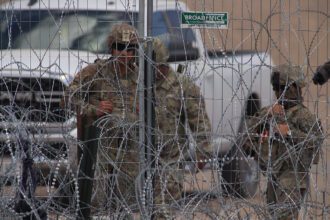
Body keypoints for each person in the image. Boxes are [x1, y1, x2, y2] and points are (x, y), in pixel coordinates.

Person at [62, 23, 140, 218]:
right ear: (111, 48)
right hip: (99, 146)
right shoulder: (96, 72)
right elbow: (68, 97)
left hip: (128, 147)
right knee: (95, 199)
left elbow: (160, 106)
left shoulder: (141, 76)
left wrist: (145, 110)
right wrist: (92, 109)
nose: (125, 54)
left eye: (130, 49)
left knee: (127, 203)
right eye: (119, 48)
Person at [243, 64, 324, 219]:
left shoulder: (303, 116)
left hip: (292, 178)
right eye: (276, 88)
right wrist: (267, 115)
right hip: (273, 177)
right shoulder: (272, 112)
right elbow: (247, 135)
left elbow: (316, 141)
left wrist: (289, 133)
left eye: (281, 88)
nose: (277, 92)